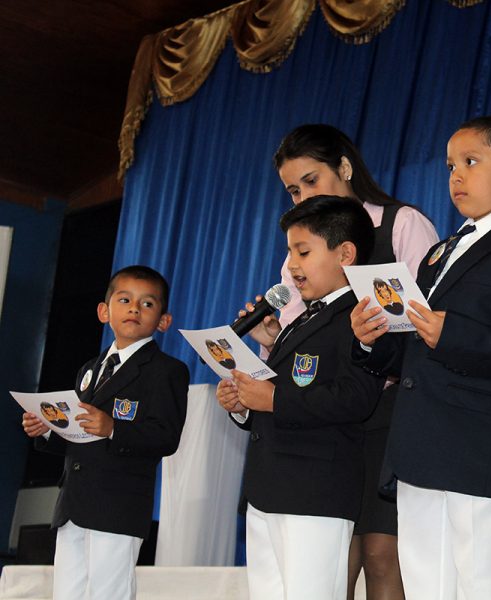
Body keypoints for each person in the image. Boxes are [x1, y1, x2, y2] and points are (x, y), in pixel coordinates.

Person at [351, 116, 491, 599]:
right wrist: (371, 340)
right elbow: (412, 345)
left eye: (471, 162)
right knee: (427, 588)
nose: (456, 176)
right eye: (451, 165)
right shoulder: (438, 253)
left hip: (481, 451)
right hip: (418, 449)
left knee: (482, 588)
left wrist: (454, 333)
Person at [253, 123, 438, 599]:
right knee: (335, 558)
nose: (300, 197)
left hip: (388, 414)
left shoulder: (401, 224)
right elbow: (295, 355)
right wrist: (271, 339)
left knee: (380, 554)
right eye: (293, 190)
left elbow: (428, 321)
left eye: (311, 181)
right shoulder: (297, 256)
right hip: (325, 424)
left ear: (346, 168)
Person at [217, 196, 386, 600]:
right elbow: (287, 391)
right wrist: (244, 404)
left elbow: (355, 398)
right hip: (268, 491)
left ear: (345, 254)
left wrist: (273, 398)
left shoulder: (362, 315)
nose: (291, 265)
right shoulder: (299, 321)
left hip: (315, 494)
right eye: (289, 251)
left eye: (303, 251)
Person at [22, 265, 189, 600]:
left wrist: (115, 428)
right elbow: (80, 433)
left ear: (164, 321)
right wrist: (47, 429)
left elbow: (166, 436)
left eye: (147, 304)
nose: (134, 309)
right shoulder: (90, 368)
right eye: (125, 299)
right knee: (67, 592)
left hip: (118, 506)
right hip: (73, 505)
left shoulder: (166, 371)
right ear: (104, 311)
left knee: (108, 592)